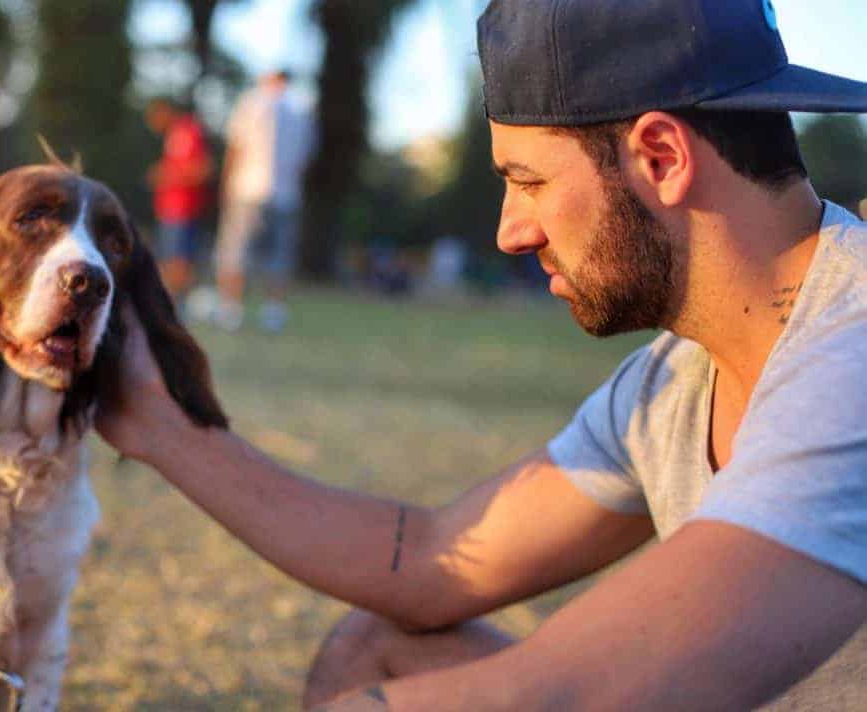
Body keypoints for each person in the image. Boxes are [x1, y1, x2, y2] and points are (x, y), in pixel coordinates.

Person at [97, 1, 867, 709]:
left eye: (528, 180)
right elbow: (430, 560)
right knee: (380, 647)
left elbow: (574, 694)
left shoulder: (854, 350)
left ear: (661, 157)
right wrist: (154, 422)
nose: (511, 231)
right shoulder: (671, 382)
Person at [213, 70, 315, 332]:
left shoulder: (251, 102)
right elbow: (305, 159)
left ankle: (230, 309)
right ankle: (274, 311)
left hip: (247, 189)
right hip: (287, 193)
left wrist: (225, 184)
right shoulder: (302, 111)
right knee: (280, 254)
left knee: (235, 250)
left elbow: (236, 146)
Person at [145, 97, 212, 304]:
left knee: (178, 261)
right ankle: (173, 305)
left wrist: (165, 175)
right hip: (172, 210)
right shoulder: (175, 135)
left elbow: (203, 169)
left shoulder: (186, 131)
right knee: (171, 260)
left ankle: (174, 306)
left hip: (181, 209)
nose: (152, 123)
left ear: (165, 111)